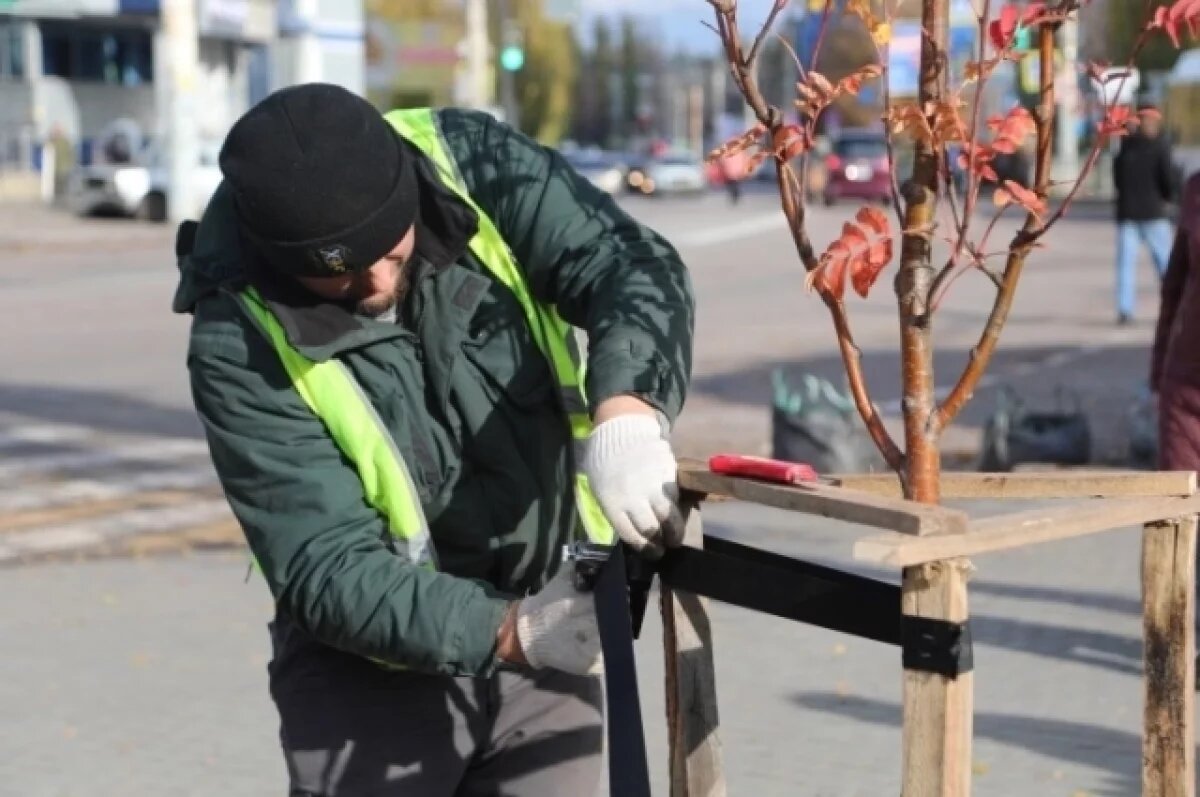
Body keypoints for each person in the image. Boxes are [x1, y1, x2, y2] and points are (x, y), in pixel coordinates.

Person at [172, 83, 695, 795]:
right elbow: (325, 563)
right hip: (369, 685)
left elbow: (628, 266)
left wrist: (628, 412)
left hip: (549, 639)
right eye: (344, 275)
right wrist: (513, 630)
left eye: (390, 250)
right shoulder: (235, 337)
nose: (379, 281)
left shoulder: (470, 162)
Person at [1112, 101, 1178, 325]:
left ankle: (1125, 309)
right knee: (1166, 265)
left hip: (1129, 213)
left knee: (1126, 265)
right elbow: (1168, 179)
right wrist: (1168, 198)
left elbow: (1117, 178)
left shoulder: (1126, 145)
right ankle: (1174, 305)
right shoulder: (1160, 146)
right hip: (1153, 213)